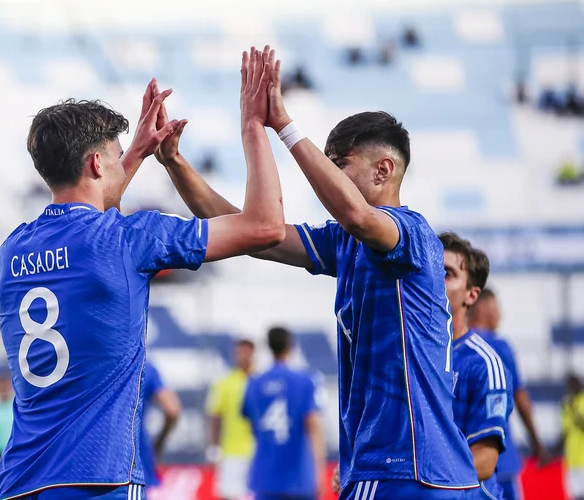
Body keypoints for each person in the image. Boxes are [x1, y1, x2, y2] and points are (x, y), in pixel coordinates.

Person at [156, 55, 481, 498]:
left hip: (399, 466)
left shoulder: (410, 231)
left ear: (383, 170)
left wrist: (282, 125)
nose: (327, 174)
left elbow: (357, 215)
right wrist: (176, 164)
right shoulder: (345, 242)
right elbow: (250, 231)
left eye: (339, 164)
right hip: (426, 471)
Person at [0, 46, 285, 500]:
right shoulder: (131, 238)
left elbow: (88, 211)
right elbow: (265, 226)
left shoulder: (13, 250)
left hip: (21, 482)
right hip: (97, 479)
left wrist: (134, 153)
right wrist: (254, 126)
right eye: (111, 157)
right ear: (94, 164)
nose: (119, 164)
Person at [440, 233, 514, 500]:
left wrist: (426, 479)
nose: (434, 279)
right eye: (431, 270)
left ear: (471, 295)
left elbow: (484, 461)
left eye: (447, 273)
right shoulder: (406, 355)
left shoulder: (485, 364)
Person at [469, 288, 552, 500]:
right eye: (496, 308)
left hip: (463, 462)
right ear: (483, 307)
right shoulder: (498, 346)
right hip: (498, 460)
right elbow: (521, 399)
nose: (500, 314)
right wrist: (537, 442)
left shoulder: (453, 347)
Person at [242, 327, 326, 500]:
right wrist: (319, 472)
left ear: (269, 346)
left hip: (265, 476)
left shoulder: (254, 383)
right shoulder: (305, 381)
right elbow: (314, 426)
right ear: (291, 346)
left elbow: (251, 424)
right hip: (299, 478)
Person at [205, 338, 256, 500]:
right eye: (240, 352)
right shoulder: (224, 383)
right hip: (231, 452)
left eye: (247, 352)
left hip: (258, 451)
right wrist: (214, 447)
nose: (243, 356)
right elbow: (215, 416)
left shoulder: (260, 381)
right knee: (230, 495)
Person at [141, 360, 181, 495]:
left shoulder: (89, 361)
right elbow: (172, 409)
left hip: (86, 459)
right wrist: (159, 443)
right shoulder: (143, 365)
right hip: (134, 457)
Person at [561, 373, 584, 500]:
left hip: (583, 458)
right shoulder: (566, 403)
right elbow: (565, 431)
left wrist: (574, 409)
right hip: (570, 459)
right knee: (574, 495)